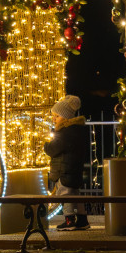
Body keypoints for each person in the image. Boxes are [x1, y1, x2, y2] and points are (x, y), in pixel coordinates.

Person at [44, 94, 90, 231]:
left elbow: (53, 149)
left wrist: (47, 144)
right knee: (75, 195)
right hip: (74, 169)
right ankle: (82, 220)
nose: (54, 119)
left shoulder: (65, 133)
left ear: (66, 117)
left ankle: (69, 220)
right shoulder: (77, 130)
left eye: (57, 116)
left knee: (66, 195)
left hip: (65, 170)